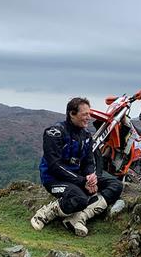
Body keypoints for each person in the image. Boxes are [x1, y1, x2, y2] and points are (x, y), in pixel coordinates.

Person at [30, 97, 123, 236]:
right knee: (79, 199)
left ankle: (78, 218)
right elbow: (54, 165)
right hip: (54, 178)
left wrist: (91, 178)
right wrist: (83, 181)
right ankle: (46, 212)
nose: (89, 118)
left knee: (116, 185)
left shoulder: (86, 135)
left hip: (78, 178)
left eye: (89, 114)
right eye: (85, 114)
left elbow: (88, 162)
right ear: (72, 114)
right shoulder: (55, 133)